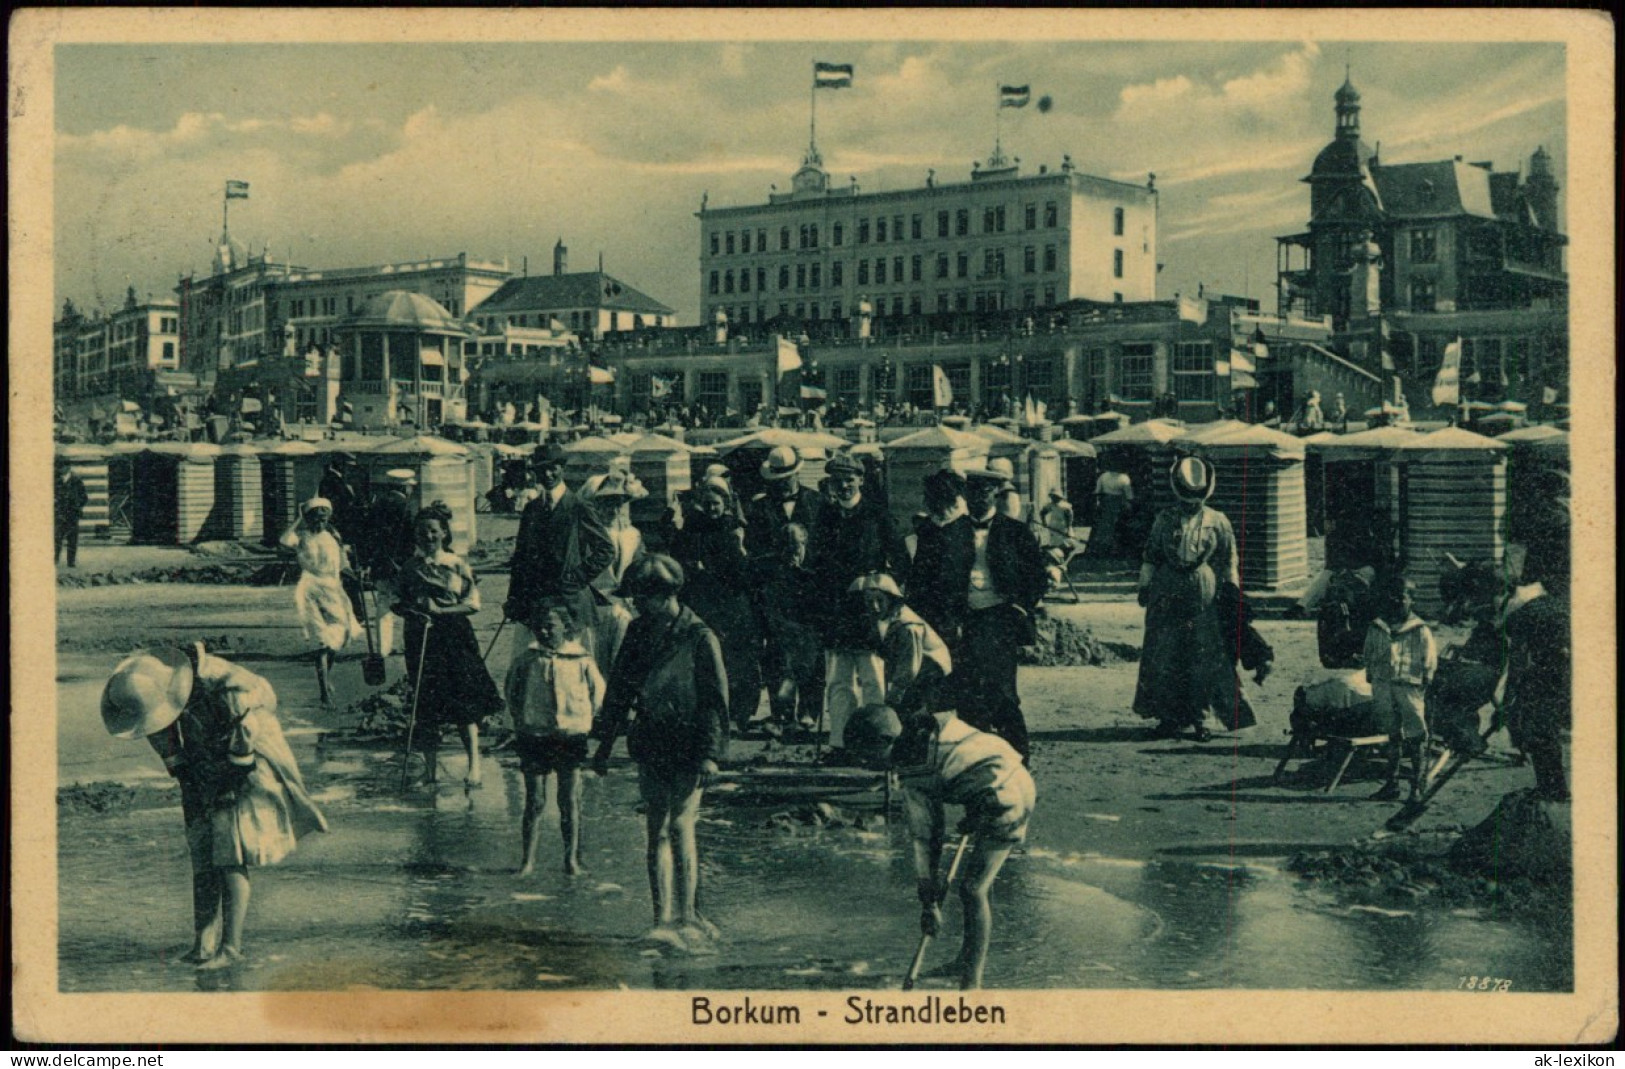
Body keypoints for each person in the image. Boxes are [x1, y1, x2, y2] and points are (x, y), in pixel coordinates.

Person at [100, 642, 327, 969]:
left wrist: (222, 792)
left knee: (229, 849)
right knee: (201, 846)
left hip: (247, 761)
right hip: (202, 757)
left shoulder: (232, 688)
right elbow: (163, 738)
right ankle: (203, 943)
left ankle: (231, 948)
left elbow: (242, 755)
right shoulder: (151, 684)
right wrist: (186, 779)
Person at [845, 704, 1035, 992]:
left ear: (886, 741)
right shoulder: (923, 726)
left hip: (1004, 795)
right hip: (1003, 776)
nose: (864, 764)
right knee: (975, 886)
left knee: (973, 890)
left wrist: (928, 902)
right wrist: (975, 806)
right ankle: (966, 960)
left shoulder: (915, 766)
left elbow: (927, 836)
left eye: (866, 756)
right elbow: (972, 757)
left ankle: (972, 983)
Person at [591, 556, 729, 953]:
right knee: (655, 829)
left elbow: (716, 701)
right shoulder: (637, 631)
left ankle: (687, 916)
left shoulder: (700, 636)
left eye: (640, 598)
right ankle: (660, 918)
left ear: (665, 595)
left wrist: (711, 754)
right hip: (651, 738)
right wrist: (604, 746)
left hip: (690, 741)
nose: (634, 605)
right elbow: (619, 690)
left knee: (681, 826)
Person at [910, 465, 1048, 763]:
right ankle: (978, 757)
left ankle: (1018, 756)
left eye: (985, 492)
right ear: (965, 495)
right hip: (961, 620)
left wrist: (1020, 606)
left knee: (1002, 691)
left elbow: (1038, 577)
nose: (979, 498)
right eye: (972, 492)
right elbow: (927, 578)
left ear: (997, 494)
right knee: (967, 692)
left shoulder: (1015, 531)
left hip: (1000, 619)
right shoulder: (948, 531)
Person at [1132, 456, 1255, 742]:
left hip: (1204, 592)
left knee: (1202, 655)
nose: (1192, 504)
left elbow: (1228, 560)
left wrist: (1233, 592)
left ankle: (1202, 718)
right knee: (1166, 653)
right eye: (1187, 498)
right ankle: (1170, 718)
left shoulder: (1218, 521)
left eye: (1196, 498)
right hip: (1166, 591)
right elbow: (1151, 555)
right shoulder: (1164, 519)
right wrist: (1145, 586)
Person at [394, 503, 505, 788]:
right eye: (421, 532)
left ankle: (474, 768)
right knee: (425, 704)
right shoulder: (409, 567)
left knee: (463, 701)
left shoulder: (456, 564)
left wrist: (441, 611)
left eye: (433, 531)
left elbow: (473, 604)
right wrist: (412, 610)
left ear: (444, 533)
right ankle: (430, 771)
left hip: (454, 638)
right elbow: (398, 601)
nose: (427, 537)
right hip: (421, 638)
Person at [806, 452, 909, 752]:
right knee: (838, 682)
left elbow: (901, 561)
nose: (843, 486)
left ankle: (877, 743)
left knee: (873, 678)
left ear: (861, 480)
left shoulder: (877, 515)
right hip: (836, 611)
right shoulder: (825, 516)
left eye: (849, 480)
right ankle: (839, 742)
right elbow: (815, 562)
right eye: (837, 481)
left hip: (868, 612)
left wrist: (882, 589)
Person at [507, 602, 605, 876]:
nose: (544, 631)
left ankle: (570, 859)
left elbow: (598, 694)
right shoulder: (526, 660)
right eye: (538, 627)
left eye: (550, 626)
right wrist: (523, 721)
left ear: (566, 627)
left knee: (569, 800)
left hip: (570, 736)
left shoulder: (582, 659)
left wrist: (584, 721)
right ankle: (527, 861)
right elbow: (512, 693)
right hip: (534, 735)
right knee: (534, 800)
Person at [506, 441, 616, 663]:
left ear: (562, 468)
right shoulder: (532, 509)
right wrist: (514, 597)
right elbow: (520, 558)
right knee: (535, 664)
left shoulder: (578, 506)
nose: (547, 474)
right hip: (536, 602)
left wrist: (577, 576)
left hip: (571, 602)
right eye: (540, 469)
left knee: (575, 665)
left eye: (552, 468)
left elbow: (605, 549)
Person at [672, 477, 763, 734]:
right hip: (705, 604)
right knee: (708, 659)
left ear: (726, 503)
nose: (712, 509)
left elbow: (744, 572)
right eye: (707, 504)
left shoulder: (736, 529)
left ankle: (739, 713)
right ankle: (709, 713)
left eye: (716, 503)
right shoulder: (693, 529)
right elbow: (681, 557)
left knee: (738, 660)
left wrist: (739, 550)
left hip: (734, 605)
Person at [1501, 508, 1571, 801]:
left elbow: (1518, 658)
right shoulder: (1544, 592)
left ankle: (1553, 790)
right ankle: (1551, 788)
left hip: (1548, 670)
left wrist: (1510, 696)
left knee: (1540, 729)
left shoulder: (1522, 606)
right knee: (1544, 730)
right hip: (1558, 662)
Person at [279, 497, 363, 705]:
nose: (320, 522)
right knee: (321, 641)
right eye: (315, 518)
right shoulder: (301, 537)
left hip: (333, 590)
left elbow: (343, 565)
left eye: (323, 518)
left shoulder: (333, 538)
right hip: (310, 590)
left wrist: (356, 575)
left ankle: (326, 677)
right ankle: (324, 690)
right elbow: (282, 541)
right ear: (308, 519)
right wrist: (298, 519)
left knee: (338, 636)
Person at [1363, 575, 1438, 802]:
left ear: (1411, 600)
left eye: (1402, 597)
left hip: (1409, 688)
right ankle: (1391, 784)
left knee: (1416, 736)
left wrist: (1421, 683)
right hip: (1383, 686)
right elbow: (1369, 655)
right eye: (1392, 597)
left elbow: (1430, 663)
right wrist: (1374, 678)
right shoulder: (1377, 627)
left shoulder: (1420, 630)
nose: (1396, 601)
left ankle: (1417, 786)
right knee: (1392, 735)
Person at [851, 573, 953, 718]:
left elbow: (910, 667)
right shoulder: (877, 620)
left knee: (910, 715)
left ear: (891, 599)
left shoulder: (908, 626)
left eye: (880, 600)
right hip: (909, 671)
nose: (875, 607)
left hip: (929, 671)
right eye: (869, 601)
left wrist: (894, 697)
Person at [756, 523, 822, 733]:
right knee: (779, 670)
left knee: (811, 672)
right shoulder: (770, 568)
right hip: (781, 629)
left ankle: (807, 713)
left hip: (808, 630)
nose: (791, 552)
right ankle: (782, 715)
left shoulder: (815, 567)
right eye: (785, 546)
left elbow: (821, 601)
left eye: (796, 546)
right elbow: (766, 601)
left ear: (805, 543)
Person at [581, 470, 646, 678]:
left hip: (622, 609)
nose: (614, 510)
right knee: (592, 664)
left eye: (619, 503)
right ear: (594, 505)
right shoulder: (583, 535)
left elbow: (638, 568)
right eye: (607, 503)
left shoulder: (631, 535)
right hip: (592, 608)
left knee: (620, 664)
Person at [356, 468, 420, 656]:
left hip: (380, 564)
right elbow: (411, 539)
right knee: (409, 604)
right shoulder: (408, 507)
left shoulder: (376, 505)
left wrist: (367, 561)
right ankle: (410, 646)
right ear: (405, 487)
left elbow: (366, 536)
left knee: (383, 604)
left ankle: (382, 648)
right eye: (410, 487)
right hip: (402, 565)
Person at [742, 445, 825, 561]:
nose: (782, 484)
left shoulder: (818, 500)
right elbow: (753, 544)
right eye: (778, 480)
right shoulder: (760, 506)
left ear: (797, 473)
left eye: (787, 479)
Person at [1090, 461, 1134, 559]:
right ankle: (1116, 550)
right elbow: (1129, 496)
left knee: (1104, 528)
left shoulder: (1103, 476)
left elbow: (1097, 491)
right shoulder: (1124, 478)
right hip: (1118, 505)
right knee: (1118, 526)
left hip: (1105, 504)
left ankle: (1103, 549)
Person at [55, 459, 89, 568]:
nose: (60, 469)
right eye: (58, 467)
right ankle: (54, 560)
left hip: (72, 515)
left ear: (68, 467)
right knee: (57, 538)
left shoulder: (76, 480)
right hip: (59, 514)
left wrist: (77, 506)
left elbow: (84, 497)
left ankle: (71, 562)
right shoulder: (55, 480)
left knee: (72, 539)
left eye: (62, 467)